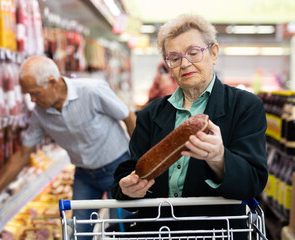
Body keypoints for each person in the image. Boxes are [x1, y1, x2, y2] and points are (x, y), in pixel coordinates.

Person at [111, 13, 268, 239]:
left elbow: (253, 182)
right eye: (174, 58)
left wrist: (219, 159)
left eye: (193, 53)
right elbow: (131, 171)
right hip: (157, 233)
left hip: (218, 233)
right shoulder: (149, 114)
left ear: (213, 53)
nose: (184, 63)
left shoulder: (245, 106)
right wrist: (126, 189)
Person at [0, 56, 137, 237]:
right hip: (84, 176)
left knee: (119, 230)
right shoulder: (40, 114)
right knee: (78, 233)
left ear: (52, 82)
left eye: (35, 93)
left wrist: (138, 162)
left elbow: (128, 117)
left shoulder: (92, 91)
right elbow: (22, 155)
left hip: (118, 169)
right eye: (28, 94)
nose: (32, 100)